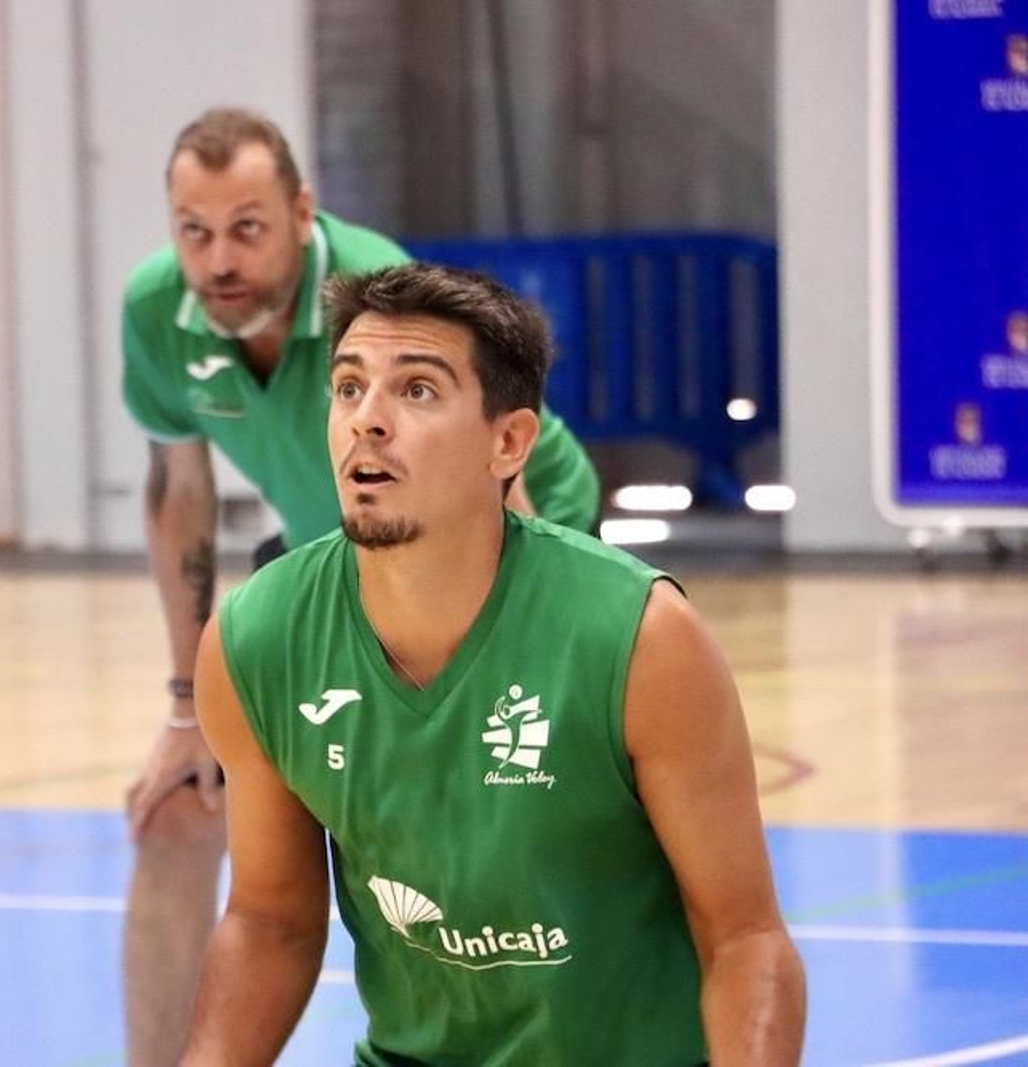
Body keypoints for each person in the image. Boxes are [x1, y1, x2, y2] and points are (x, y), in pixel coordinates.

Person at [183, 263, 806, 1064]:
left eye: (416, 390)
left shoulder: (640, 637)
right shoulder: (258, 637)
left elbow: (745, 938)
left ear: (507, 442)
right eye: (349, 388)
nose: (367, 420)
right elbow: (271, 922)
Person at [118, 108, 601, 1065]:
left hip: (510, 533)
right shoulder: (158, 311)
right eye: (194, 232)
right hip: (337, 557)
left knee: (504, 834)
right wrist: (183, 709)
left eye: (247, 228)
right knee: (178, 807)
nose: (219, 260)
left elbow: (492, 487)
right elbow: (180, 498)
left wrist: (512, 656)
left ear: (303, 214)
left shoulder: (372, 304)